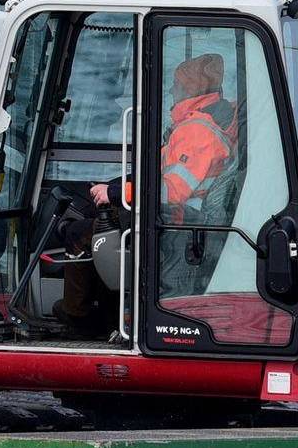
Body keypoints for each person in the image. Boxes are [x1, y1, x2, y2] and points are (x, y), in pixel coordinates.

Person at [51, 53, 236, 336]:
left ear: (190, 89)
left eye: (176, 85)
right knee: (90, 212)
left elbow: (170, 191)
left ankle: (79, 315)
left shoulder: (195, 132)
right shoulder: (203, 122)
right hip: (177, 217)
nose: (172, 91)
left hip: (175, 224)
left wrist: (115, 192)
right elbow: (160, 171)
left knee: (79, 232)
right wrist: (118, 185)